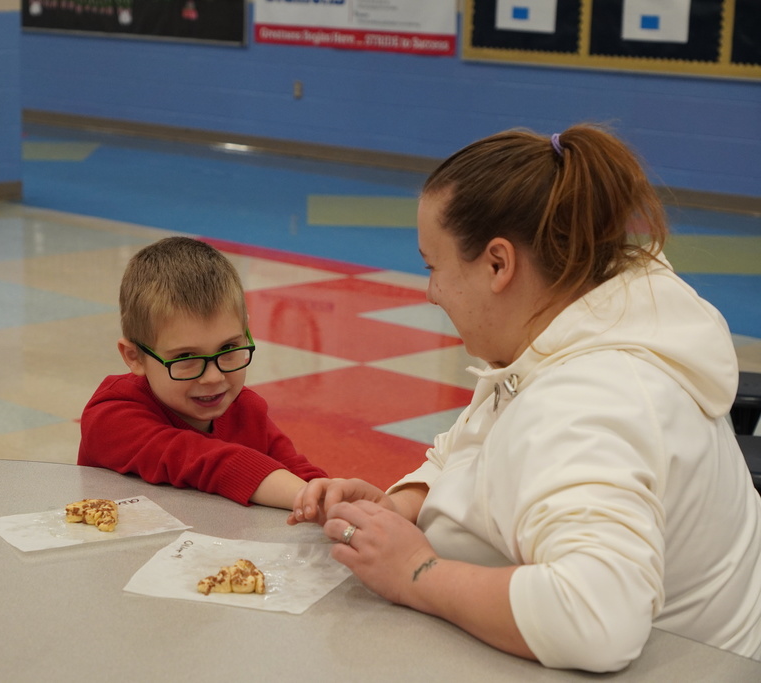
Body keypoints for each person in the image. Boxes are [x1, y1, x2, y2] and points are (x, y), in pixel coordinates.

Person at [288, 125, 761, 671]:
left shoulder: (588, 402)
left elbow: (597, 622)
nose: (430, 291)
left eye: (433, 266)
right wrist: (401, 507)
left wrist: (417, 573)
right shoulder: (587, 315)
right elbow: (473, 447)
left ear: (498, 264)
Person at [78, 236, 328, 509]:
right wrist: (311, 500)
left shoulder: (245, 409)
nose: (213, 378)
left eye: (229, 347)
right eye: (185, 357)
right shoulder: (111, 417)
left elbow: (298, 472)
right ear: (134, 357)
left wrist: (334, 498)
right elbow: (208, 461)